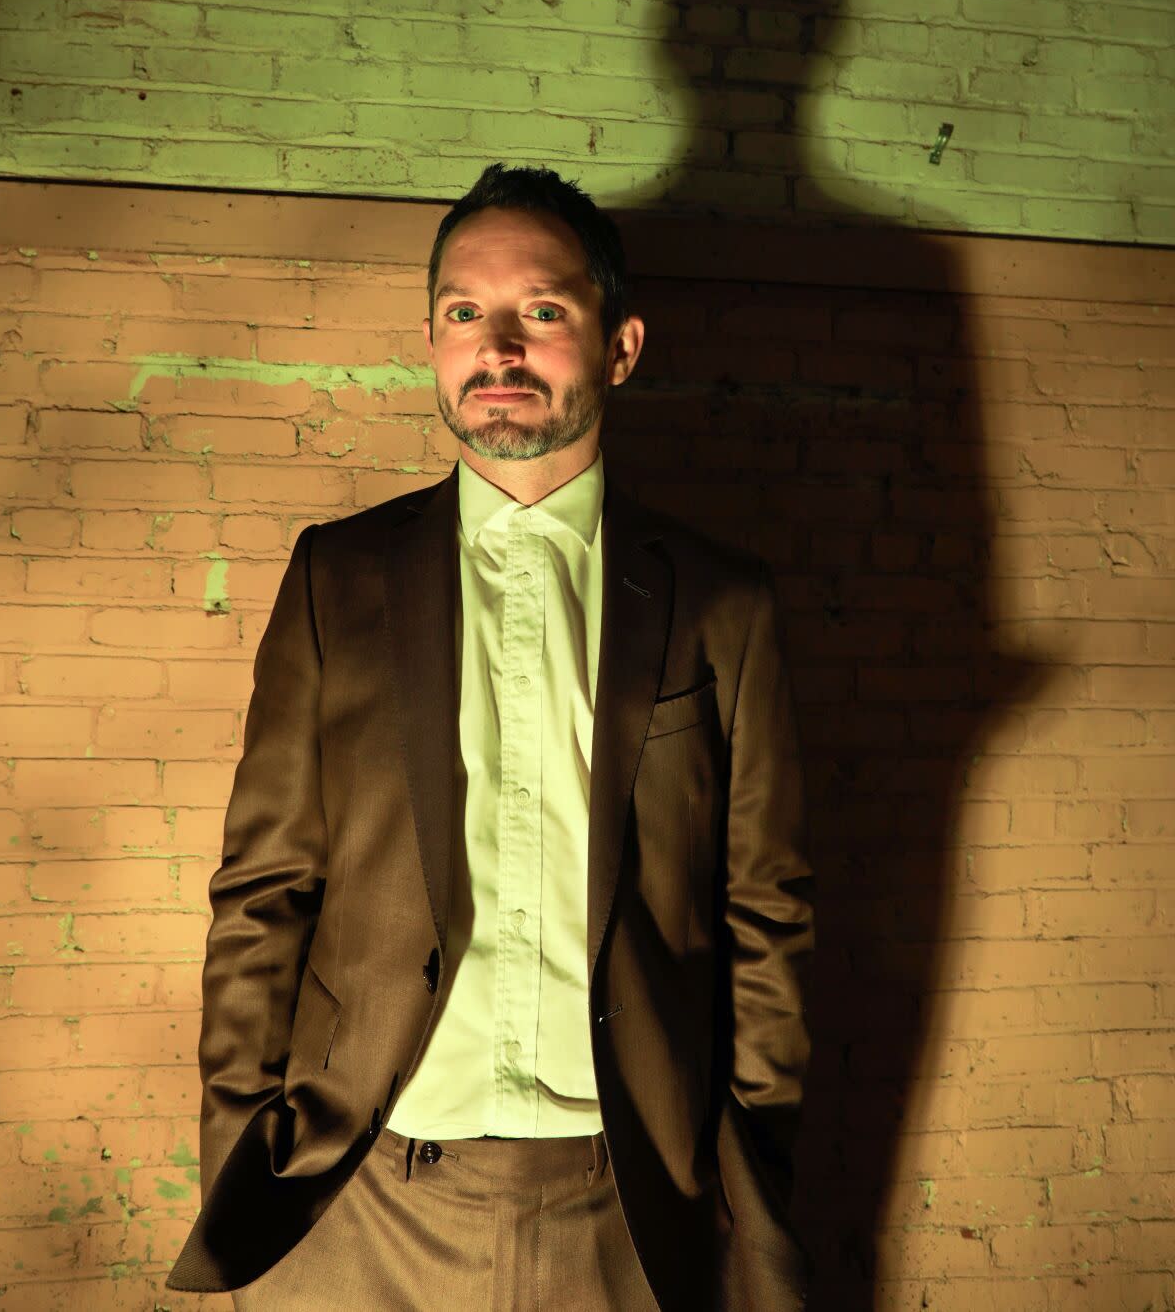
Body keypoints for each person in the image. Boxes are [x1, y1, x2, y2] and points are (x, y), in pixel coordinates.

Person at [166, 163, 814, 1311]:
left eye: (543, 312)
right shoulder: (339, 578)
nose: (497, 349)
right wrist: (238, 1150)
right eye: (466, 313)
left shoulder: (723, 602)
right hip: (355, 1206)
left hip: (628, 1218)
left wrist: (745, 1178)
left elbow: (762, 913)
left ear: (620, 345)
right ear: (430, 339)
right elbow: (264, 892)